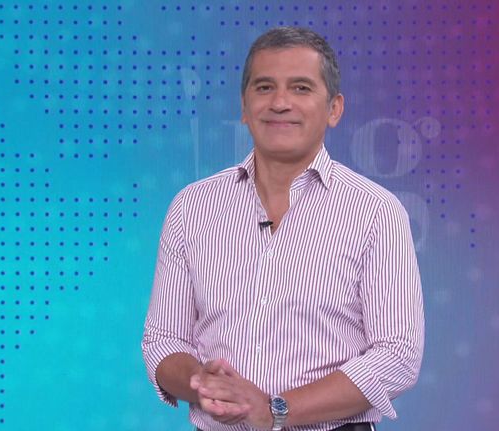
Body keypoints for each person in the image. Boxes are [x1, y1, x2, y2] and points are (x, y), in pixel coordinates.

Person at [141, 26, 424, 431]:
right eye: (264, 87)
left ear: (334, 108)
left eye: (301, 88)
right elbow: (163, 340)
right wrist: (204, 384)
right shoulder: (193, 208)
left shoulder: (375, 212)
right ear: (244, 106)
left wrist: (275, 409)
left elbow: (398, 355)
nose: (279, 103)